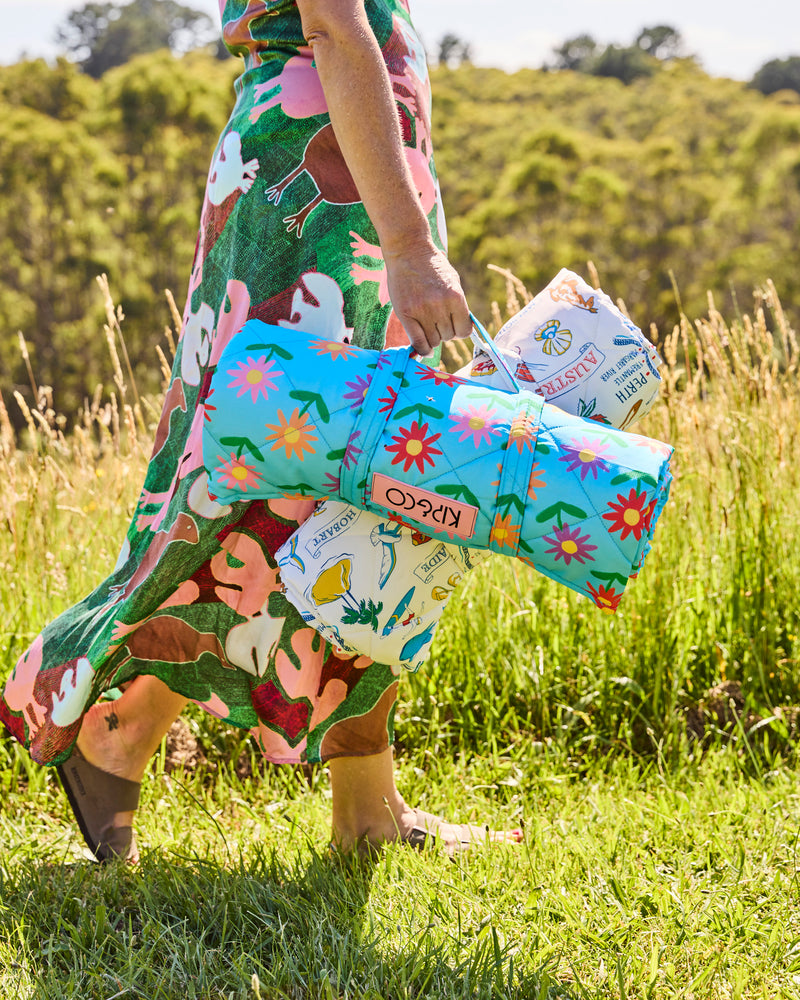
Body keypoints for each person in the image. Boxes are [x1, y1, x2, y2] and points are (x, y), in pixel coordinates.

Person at [1, 0, 522, 860]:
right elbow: (335, 28)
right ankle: (114, 718)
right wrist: (406, 242)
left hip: (331, 181)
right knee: (290, 484)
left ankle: (363, 803)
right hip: (314, 198)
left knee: (347, 492)